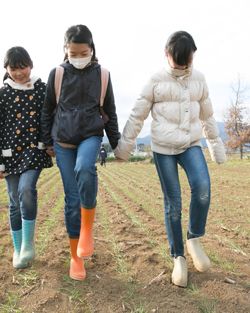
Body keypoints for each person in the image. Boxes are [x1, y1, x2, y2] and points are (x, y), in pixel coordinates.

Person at [114, 31, 227, 287]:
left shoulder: (199, 79)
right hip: (163, 148)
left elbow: (208, 116)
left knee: (202, 188)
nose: (184, 67)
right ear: (166, 55)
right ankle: (179, 257)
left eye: (188, 62)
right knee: (173, 203)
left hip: (190, 143)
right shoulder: (155, 80)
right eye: (179, 63)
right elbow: (136, 116)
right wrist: (124, 149)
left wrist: (215, 148)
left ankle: (194, 239)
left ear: (193, 56)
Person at [41, 25, 120, 281]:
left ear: (92, 49)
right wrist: (47, 143)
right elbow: (47, 111)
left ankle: (87, 230)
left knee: (85, 169)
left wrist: (117, 143)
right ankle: (76, 257)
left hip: (90, 135)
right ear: (66, 51)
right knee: (71, 200)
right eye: (73, 53)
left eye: (83, 52)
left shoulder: (103, 75)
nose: (78, 57)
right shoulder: (57, 74)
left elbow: (109, 112)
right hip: (63, 141)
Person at [0, 46, 53, 269]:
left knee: (25, 190)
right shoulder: (2, 94)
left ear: (30, 65)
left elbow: (49, 117)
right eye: (13, 68)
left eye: (22, 67)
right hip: (9, 154)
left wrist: (49, 143)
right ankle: (18, 249)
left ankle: (29, 244)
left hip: (34, 150)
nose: (19, 72)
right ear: (6, 69)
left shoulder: (41, 89)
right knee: (14, 202)